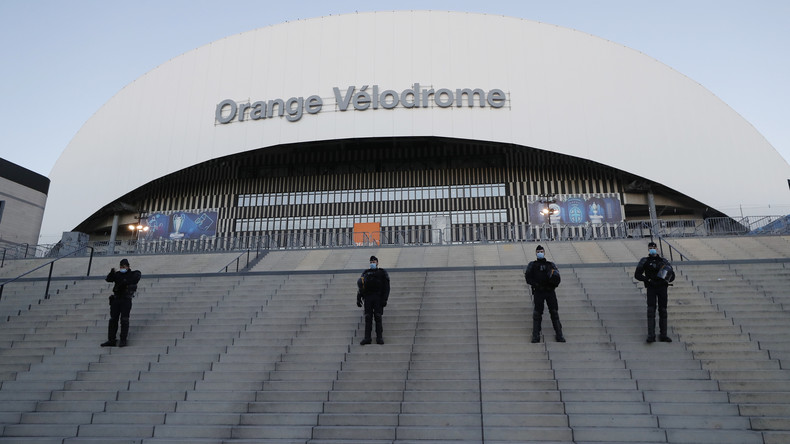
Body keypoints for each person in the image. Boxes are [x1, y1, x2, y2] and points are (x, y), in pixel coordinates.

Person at [634, 241, 675, 343]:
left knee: (663, 310)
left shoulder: (664, 261)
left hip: (662, 287)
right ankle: (651, 335)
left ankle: (663, 335)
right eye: (650, 248)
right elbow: (637, 275)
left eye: (654, 247)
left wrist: (666, 276)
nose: (652, 249)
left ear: (657, 249)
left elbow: (672, 276)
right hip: (651, 287)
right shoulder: (645, 261)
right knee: (651, 310)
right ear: (648, 249)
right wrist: (647, 279)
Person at [524, 245, 565, 343]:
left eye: (541, 251)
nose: (540, 253)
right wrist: (536, 284)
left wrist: (551, 283)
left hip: (550, 291)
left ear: (544, 252)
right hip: (539, 291)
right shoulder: (532, 265)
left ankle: (559, 335)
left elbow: (557, 278)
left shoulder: (550, 264)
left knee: (554, 312)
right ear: (536, 253)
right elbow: (528, 278)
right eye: (538, 251)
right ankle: (536, 335)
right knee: (537, 313)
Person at [101, 258, 141, 347]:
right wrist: (111, 273)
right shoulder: (118, 274)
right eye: (121, 266)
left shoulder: (132, 274)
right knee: (113, 320)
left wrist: (125, 282)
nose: (122, 268)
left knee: (124, 320)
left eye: (124, 266)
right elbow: (109, 279)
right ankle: (111, 340)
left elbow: (136, 278)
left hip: (125, 299)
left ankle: (123, 340)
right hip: (116, 299)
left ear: (128, 266)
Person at [356, 255, 390, 345]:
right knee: (368, 317)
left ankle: (379, 337)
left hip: (378, 297)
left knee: (378, 317)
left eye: (374, 262)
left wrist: (385, 299)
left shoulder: (382, 272)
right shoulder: (366, 273)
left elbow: (387, 287)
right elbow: (361, 285)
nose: (372, 263)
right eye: (371, 262)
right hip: (368, 297)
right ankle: (367, 338)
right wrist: (358, 298)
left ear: (377, 263)